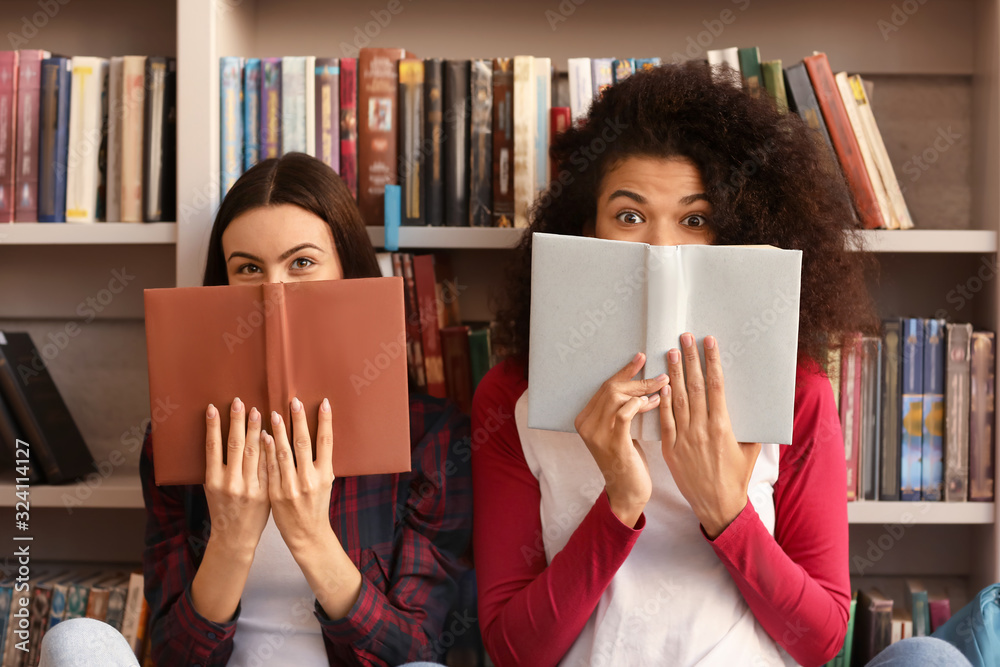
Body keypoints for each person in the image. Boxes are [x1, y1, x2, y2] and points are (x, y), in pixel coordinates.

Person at [471, 61, 970, 667]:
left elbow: (820, 640)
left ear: (735, 234)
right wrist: (621, 503)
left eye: (695, 219)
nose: (661, 247)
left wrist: (724, 508)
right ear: (584, 232)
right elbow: (513, 650)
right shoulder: (512, 397)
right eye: (629, 216)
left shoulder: (797, 390)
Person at [136, 153, 472, 666]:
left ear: (348, 273)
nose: (275, 292)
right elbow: (174, 656)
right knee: (74, 642)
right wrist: (231, 538)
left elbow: (417, 651)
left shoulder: (430, 435)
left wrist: (311, 534)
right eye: (248, 268)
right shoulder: (176, 439)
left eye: (302, 263)